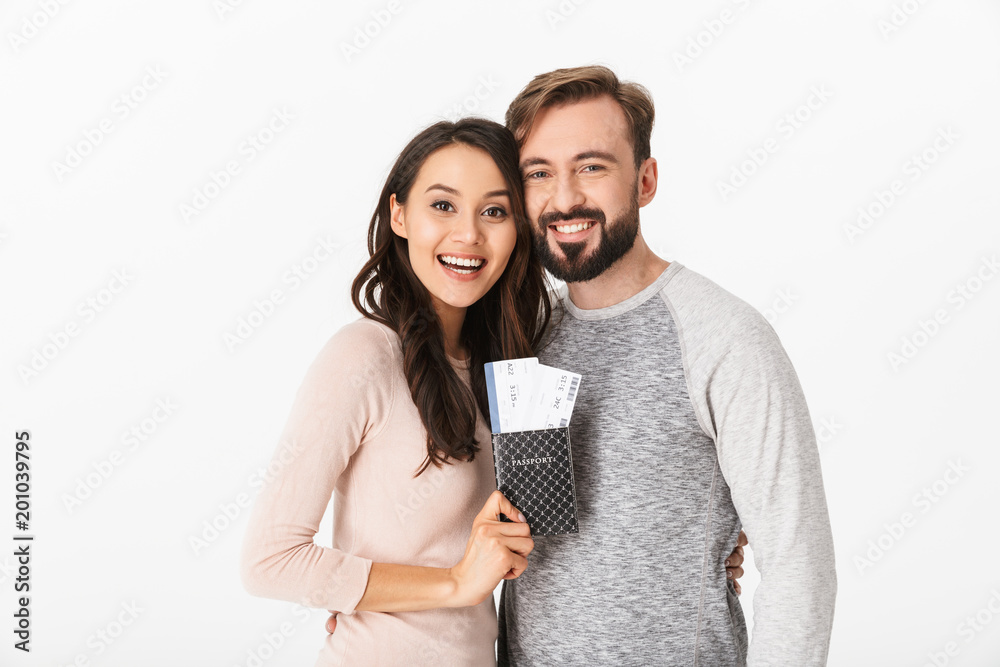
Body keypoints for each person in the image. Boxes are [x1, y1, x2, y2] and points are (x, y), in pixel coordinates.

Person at [240, 116, 749, 665]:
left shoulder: (511, 370)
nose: (468, 234)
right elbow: (269, 561)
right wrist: (455, 584)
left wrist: (701, 545)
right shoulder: (364, 356)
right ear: (399, 214)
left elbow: (553, 534)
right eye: (442, 205)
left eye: (494, 211)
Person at [492, 66, 838, 665]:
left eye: (592, 166)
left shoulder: (724, 338)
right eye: (539, 173)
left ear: (645, 180)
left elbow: (798, 569)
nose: (565, 197)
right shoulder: (522, 336)